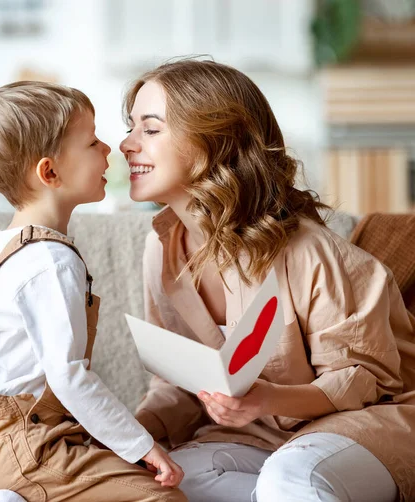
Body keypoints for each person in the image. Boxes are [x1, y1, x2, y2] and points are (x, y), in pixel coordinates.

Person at [120, 58, 415, 502]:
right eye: (131, 127)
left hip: (364, 427)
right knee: (155, 487)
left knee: (291, 478)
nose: (126, 144)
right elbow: (177, 385)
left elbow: (360, 383)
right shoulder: (160, 250)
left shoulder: (310, 251)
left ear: (212, 142)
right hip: (249, 439)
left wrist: (264, 399)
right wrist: (130, 434)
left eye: (150, 129)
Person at [0, 81, 186, 502]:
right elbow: (69, 377)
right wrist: (143, 446)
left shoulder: (9, 246)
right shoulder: (52, 262)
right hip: (27, 449)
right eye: (92, 142)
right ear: (50, 172)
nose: (110, 148)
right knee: (162, 497)